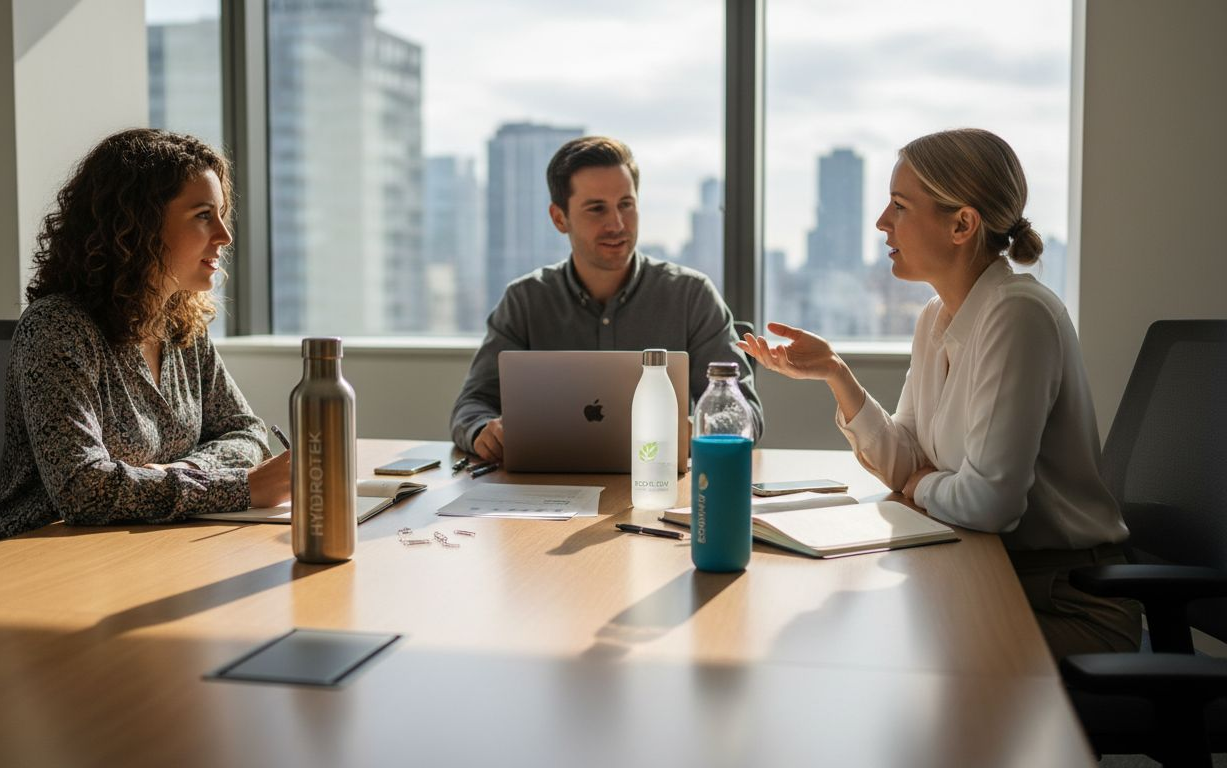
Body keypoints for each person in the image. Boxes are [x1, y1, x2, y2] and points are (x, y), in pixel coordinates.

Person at [738, 128, 1140, 658]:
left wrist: (922, 486)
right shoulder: (936, 317)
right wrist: (838, 374)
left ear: (962, 224)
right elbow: (906, 459)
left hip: (1064, 602)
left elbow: (989, 504)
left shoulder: (1019, 314)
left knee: (869, 645)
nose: (882, 222)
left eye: (900, 206)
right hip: (991, 576)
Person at [0, 128, 290, 538]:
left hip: (139, 546)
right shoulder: (57, 329)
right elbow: (83, 490)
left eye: (221, 214)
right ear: (137, 225)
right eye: (203, 215)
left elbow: (245, 432)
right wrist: (242, 487)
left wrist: (186, 471)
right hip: (39, 552)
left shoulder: (180, 323)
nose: (224, 236)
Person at [451, 136, 763, 461]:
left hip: (659, 487)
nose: (616, 224)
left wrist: (698, 429)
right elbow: (471, 405)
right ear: (559, 218)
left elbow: (747, 414)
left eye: (626, 204)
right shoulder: (525, 300)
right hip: (547, 493)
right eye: (597, 208)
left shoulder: (692, 296)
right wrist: (483, 430)